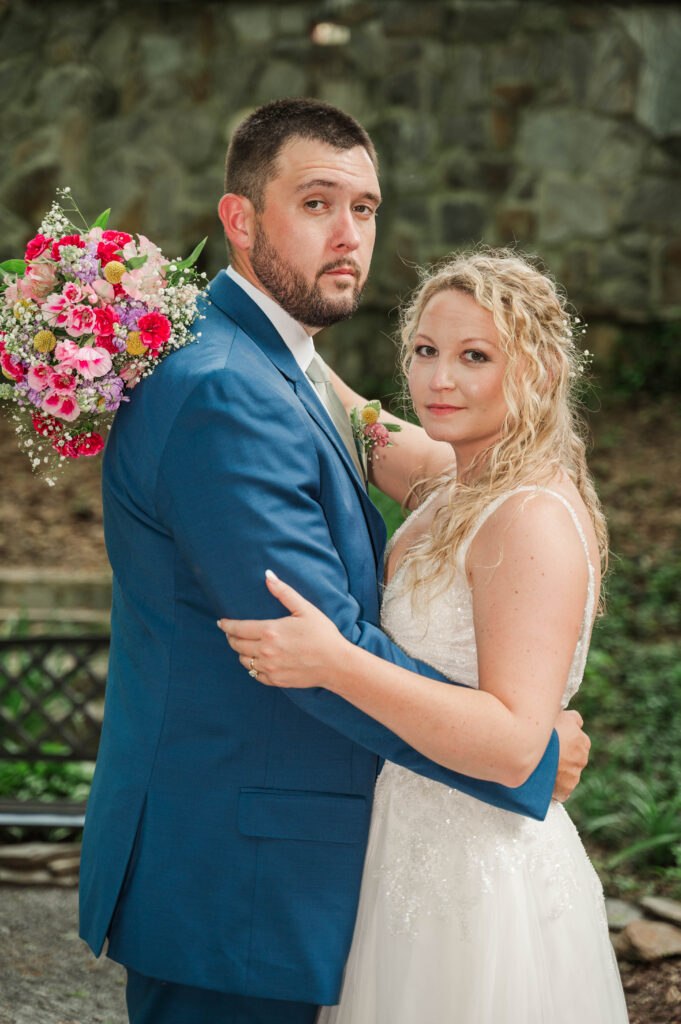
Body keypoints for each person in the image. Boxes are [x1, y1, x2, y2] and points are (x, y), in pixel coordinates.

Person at [78, 99, 589, 1024]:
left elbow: (379, 435)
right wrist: (520, 757)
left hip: (298, 857)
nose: (348, 234)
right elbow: (312, 650)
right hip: (238, 870)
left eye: (366, 207)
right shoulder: (226, 392)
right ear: (240, 220)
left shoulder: (269, 366)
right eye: (317, 204)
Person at [219, 250, 629, 1022]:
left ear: (538, 370)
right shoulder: (453, 481)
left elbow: (514, 744)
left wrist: (335, 663)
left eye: (475, 357)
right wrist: (203, 309)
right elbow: (355, 417)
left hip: (477, 877)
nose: (439, 380)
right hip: (398, 844)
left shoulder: (527, 515)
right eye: (425, 351)